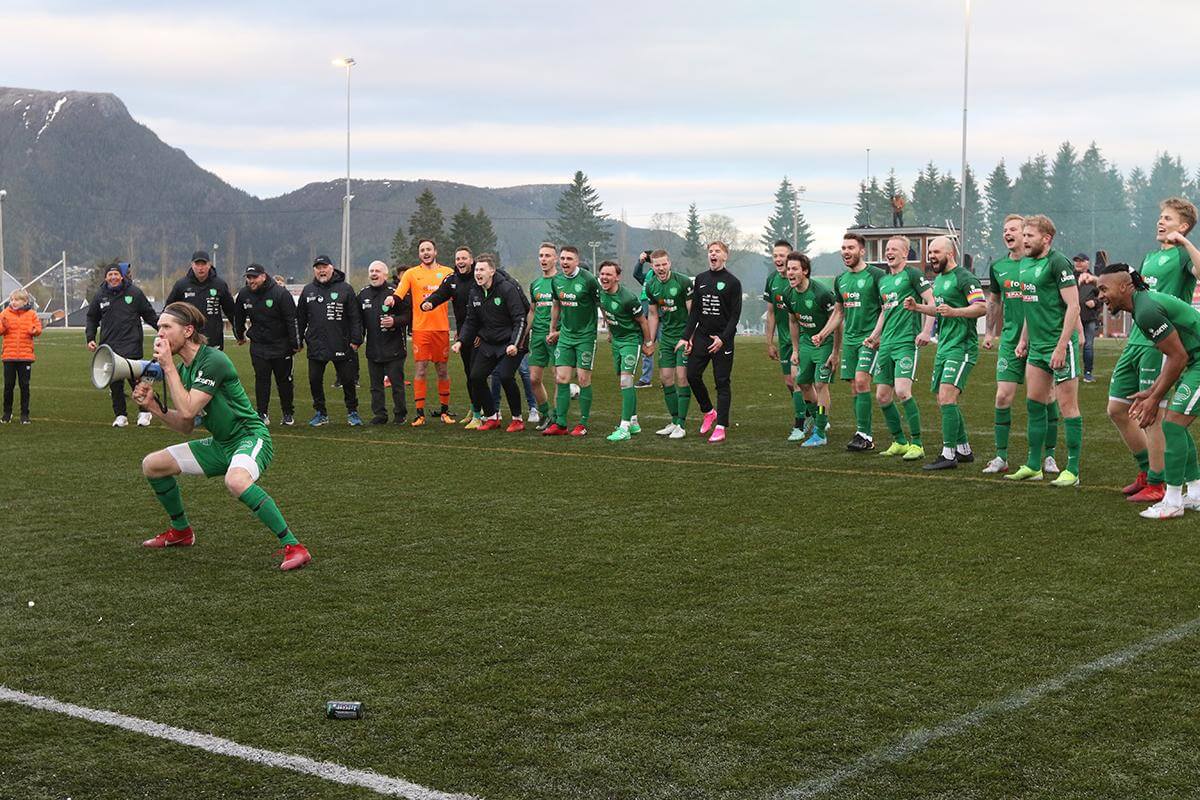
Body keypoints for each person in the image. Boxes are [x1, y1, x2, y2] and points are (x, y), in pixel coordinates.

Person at [132, 302, 311, 571]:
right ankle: (181, 532)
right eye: (158, 328)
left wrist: (167, 367)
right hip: (222, 444)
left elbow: (188, 408)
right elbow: (186, 425)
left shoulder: (212, 360)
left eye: (167, 327)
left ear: (188, 331)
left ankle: (295, 547)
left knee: (236, 480)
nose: (160, 334)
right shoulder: (184, 370)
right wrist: (154, 407)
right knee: (152, 465)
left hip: (250, 437)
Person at [1108, 197, 1200, 503]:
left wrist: (1186, 244)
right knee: (1117, 409)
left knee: (1154, 414)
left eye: (1168, 218)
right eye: (1160, 217)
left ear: (1183, 227)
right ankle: (1147, 470)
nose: (1160, 222)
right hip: (1135, 340)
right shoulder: (1149, 258)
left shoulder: (1182, 256)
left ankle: (1158, 483)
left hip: (1160, 343)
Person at [1096, 265, 1200, 519]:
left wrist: (1154, 398)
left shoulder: (1146, 310)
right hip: (1194, 362)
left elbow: (1178, 357)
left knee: (1172, 425)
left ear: (1124, 286)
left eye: (1104, 289)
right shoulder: (1142, 306)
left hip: (1195, 362)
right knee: (1176, 424)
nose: (1100, 296)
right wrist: (1153, 391)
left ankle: (1172, 502)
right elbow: (1176, 356)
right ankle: (1196, 493)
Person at [1007, 215, 1083, 486]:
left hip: (1059, 346)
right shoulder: (1025, 263)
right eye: (1024, 235)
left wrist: (1061, 346)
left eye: (1030, 236)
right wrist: (1023, 340)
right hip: (1036, 348)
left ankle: (1072, 470)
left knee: (1067, 407)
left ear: (1046, 239)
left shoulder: (1058, 262)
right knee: (1034, 404)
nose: (1024, 239)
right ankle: (1033, 465)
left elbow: (1074, 306)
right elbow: (1032, 304)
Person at [904, 236, 987, 470]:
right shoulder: (939, 280)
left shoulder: (965, 278)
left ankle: (948, 454)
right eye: (930, 252)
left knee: (947, 397)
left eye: (936, 252)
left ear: (950, 254)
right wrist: (918, 307)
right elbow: (940, 310)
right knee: (943, 399)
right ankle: (964, 450)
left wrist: (955, 311)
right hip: (944, 347)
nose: (931, 256)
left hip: (962, 347)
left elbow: (982, 307)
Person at [865, 235, 934, 460]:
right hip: (886, 344)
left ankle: (917, 444)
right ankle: (900, 441)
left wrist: (926, 331)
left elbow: (931, 301)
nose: (889, 252)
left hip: (906, 342)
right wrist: (874, 336)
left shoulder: (912, 274)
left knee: (903, 391)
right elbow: (885, 311)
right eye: (887, 249)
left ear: (905, 253)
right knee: (882, 396)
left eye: (894, 249)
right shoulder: (884, 281)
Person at [452, 254, 528, 432]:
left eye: (482, 270)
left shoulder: (507, 289)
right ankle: (492, 417)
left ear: (492, 271)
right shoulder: (475, 291)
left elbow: (520, 319)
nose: (478, 273)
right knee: (476, 377)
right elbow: (471, 321)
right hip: (489, 342)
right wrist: (461, 341)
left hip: (510, 342)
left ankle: (517, 419)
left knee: (505, 376)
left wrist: (514, 344)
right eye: (476, 270)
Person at [678, 241, 742, 443]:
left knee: (722, 382)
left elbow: (735, 316)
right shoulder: (701, 279)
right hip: (703, 336)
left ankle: (721, 426)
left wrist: (723, 338)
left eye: (717, 251)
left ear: (725, 256)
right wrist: (686, 336)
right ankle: (708, 411)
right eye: (710, 251)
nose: (713, 254)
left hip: (723, 339)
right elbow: (695, 311)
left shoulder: (733, 282)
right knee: (692, 375)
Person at [389, 239, 455, 426]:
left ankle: (444, 412)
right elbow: (399, 293)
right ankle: (420, 414)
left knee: (442, 370)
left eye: (429, 249)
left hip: (441, 329)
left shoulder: (448, 273)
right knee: (420, 369)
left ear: (435, 251)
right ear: (419, 254)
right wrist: (392, 299)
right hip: (420, 329)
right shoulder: (411, 273)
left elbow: (458, 295)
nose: (426, 253)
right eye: (422, 250)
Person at [85, 262, 159, 427]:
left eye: (116, 274)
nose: (113, 277)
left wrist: (162, 330)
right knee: (115, 385)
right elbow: (91, 318)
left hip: (131, 345)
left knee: (136, 382)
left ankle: (145, 412)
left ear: (121, 276)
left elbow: (149, 314)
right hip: (110, 347)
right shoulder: (100, 296)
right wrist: (90, 337)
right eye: (110, 275)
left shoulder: (134, 293)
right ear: (106, 278)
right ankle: (120, 415)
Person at [831, 232, 886, 451]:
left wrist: (877, 335)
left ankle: (865, 435)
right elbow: (838, 313)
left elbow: (886, 307)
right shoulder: (840, 280)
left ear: (862, 251)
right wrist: (824, 335)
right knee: (854, 386)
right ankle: (862, 432)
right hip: (850, 340)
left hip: (869, 340)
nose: (846, 252)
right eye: (844, 248)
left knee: (862, 381)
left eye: (851, 248)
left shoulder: (877, 275)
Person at [981, 215, 1027, 473]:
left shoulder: (1038, 263)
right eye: (1005, 230)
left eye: (1013, 229)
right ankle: (1001, 457)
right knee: (1002, 396)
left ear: (1025, 233)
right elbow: (995, 300)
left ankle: (1049, 456)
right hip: (1009, 339)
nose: (1007, 233)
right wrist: (989, 332)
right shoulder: (998, 266)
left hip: (1040, 338)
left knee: (1045, 398)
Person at [297, 255, 363, 427]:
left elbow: (355, 317)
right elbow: (301, 319)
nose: (321, 271)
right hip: (316, 344)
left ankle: (352, 412)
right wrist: (298, 340)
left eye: (324, 267)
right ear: (314, 270)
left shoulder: (345, 289)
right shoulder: (308, 290)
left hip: (341, 343)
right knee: (314, 380)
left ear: (332, 268)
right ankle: (321, 413)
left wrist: (356, 339)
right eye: (318, 268)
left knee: (347, 380)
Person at [544, 245, 602, 436]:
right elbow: (556, 305)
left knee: (583, 379)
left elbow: (602, 303)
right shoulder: (557, 280)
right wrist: (553, 329)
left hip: (586, 337)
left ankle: (582, 423)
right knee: (561, 378)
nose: (565, 262)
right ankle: (560, 423)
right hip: (566, 337)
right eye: (562, 258)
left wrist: (610, 329)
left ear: (577, 261)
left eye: (569, 259)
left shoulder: (589, 280)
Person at [233, 263, 300, 426]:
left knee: (284, 381)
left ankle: (287, 413)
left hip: (281, 345)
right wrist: (239, 335)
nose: (251, 280)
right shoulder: (244, 294)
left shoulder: (280, 293)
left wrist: (295, 342)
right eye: (248, 277)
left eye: (254, 277)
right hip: (259, 345)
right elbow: (238, 317)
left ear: (263, 276)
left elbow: (291, 320)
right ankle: (262, 413)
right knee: (261, 380)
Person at [783, 253, 838, 447]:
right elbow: (793, 322)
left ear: (805, 271)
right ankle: (820, 420)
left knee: (820, 384)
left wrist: (835, 351)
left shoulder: (822, 293)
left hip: (825, 343)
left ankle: (820, 433)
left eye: (794, 269)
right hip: (806, 343)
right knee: (803, 383)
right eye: (788, 269)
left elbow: (837, 321)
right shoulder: (788, 294)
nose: (790, 273)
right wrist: (795, 350)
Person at [424, 246, 481, 426]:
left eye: (464, 258)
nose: (461, 262)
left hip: (482, 334)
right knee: (470, 373)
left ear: (471, 260)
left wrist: (482, 333)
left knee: (481, 374)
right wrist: (429, 302)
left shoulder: (479, 277)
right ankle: (475, 409)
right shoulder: (452, 279)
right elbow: (440, 294)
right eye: (458, 259)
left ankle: (489, 411)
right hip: (464, 334)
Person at [598, 261, 653, 441]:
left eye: (609, 274)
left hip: (631, 340)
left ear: (617, 277)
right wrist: (610, 331)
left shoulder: (628, 298)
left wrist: (648, 343)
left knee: (625, 380)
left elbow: (643, 321)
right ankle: (634, 422)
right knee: (625, 382)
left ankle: (624, 427)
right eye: (602, 274)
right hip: (616, 341)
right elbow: (604, 310)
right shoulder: (600, 293)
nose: (604, 277)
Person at [642, 249, 693, 439]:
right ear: (652, 266)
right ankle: (674, 420)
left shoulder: (683, 282)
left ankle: (682, 424)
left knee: (682, 378)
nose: (661, 268)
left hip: (683, 337)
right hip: (667, 337)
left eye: (664, 264)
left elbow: (693, 313)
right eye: (657, 265)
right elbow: (653, 314)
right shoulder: (651, 285)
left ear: (669, 263)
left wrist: (690, 337)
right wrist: (650, 340)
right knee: (665, 378)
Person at [360, 260, 410, 425]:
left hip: (395, 347)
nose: (374, 274)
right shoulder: (363, 294)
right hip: (373, 348)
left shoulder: (396, 292)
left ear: (385, 275)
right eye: (371, 271)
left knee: (397, 385)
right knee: (375, 386)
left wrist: (395, 321)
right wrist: (357, 338)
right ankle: (380, 414)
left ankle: (400, 414)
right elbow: (358, 320)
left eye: (377, 271)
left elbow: (409, 316)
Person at [764, 240, 804, 439]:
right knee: (789, 382)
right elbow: (771, 313)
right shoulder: (771, 280)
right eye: (775, 256)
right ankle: (811, 413)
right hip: (784, 341)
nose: (778, 259)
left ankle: (800, 425)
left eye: (782, 256)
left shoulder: (797, 280)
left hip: (801, 340)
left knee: (798, 381)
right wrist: (770, 342)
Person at [165, 250, 238, 350]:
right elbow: (169, 309)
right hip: (190, 338)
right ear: (192, 265)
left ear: (209, 265)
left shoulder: (219, 285)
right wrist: (164, 329)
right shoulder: (181, 285)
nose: (200, 268)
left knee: (214, 360)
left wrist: (238, 332)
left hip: (213, 338)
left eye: (203, 264)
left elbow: (231, 311)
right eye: (197, 264)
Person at [527, 242, 559, 430]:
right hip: (538, 335)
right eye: (541, 256)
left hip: (556, 336)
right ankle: (546, 413)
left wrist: (558, 331)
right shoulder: (535, 284)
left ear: (555, 258)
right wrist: (523, 334)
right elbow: (532, 311)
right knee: (533, 379)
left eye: (548, 255)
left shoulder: (561, 282)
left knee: (558, 378)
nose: (544, 259)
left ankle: (557, 416)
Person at [0, 289, 42, 424]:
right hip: (9, 356)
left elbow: (38, 329)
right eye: (12, 299)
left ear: (25, 301)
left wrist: (34, 330)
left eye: (17, 300)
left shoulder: (32, 314)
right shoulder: (4, 314)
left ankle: (25, 414)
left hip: (25, 356)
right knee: (8, 386)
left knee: (24, 386)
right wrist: (4, 327)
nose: (14, 302)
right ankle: (7, 413)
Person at [1074, 253, 1100, 382]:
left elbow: (1103, 296)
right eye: (1076, 261)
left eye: (1081, 261)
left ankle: (1088, 373)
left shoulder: (1094, 280)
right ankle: (1071, 372)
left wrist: (1095, 302)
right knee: (1071, 345)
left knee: (1088, 346)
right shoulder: (1069, 278)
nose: (1078, 263)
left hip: (1089, 318)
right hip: (1072, 318)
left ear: (1087, 263)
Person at [632, 249, 655, 388]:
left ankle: (667, 377)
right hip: (645, 311)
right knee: (647, 345)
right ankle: (646, 379)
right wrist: (640, 262)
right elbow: (636, 274)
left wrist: (661, 308)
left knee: (666, 348)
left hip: (659, 314)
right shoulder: (649, 275)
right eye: (650, 260)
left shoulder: (661, 274)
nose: (652, 263)